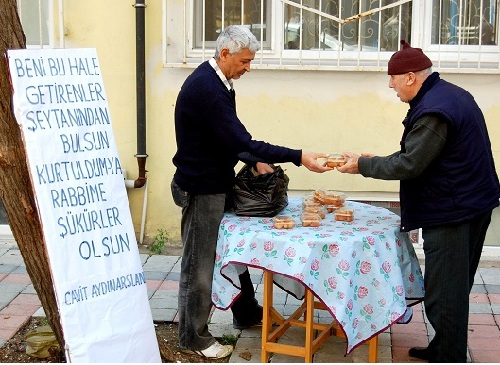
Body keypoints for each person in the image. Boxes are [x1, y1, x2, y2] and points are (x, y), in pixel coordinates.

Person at [170, 25, 332, 359]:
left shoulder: (218, 81)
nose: (248, 68)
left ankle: (245, 310)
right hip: (201, 189)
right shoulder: (207, 89)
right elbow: (240, 140)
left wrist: (255, 159)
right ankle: (192, 337)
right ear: (225, 53)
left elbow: (233, 134)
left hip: (216, 182)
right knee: (198, 267)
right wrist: (297, 156)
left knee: (235, 247)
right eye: (244, 61)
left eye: (251, 61)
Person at [337, 40, 500, 363]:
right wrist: (379, 158)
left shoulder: (434, 110)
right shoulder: (449, 94)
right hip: (471, 202)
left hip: (454, 210)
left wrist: (363, 166)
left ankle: (450, 356)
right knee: (454, 286)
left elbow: (412, 164)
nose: (390, 85)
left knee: (443, 293)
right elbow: (423, 154)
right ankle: (445, 347)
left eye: (393, 78)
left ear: (410, 77)